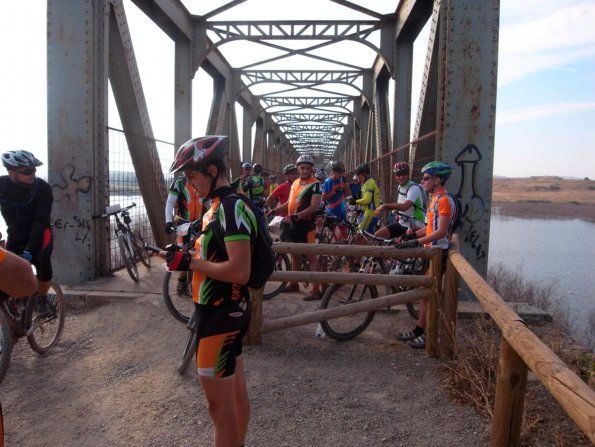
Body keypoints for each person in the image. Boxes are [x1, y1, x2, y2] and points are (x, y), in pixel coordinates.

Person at [163, 135, 254, 447]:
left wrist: (190, 264)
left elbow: (240, 271)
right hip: (222, 310)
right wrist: (188, 256)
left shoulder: (230, 208)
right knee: (234, 396)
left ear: (213, 170)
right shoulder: (216, 206)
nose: (189, 184)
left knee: (219, 409)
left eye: (192, 176)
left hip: (221, 312)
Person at [396, 161, 457, 349]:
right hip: (431, 253)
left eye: (426, 178)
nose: (422, 181)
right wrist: (414, 235)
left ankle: (428, 335)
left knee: (431, 296)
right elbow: (430, 229)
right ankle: (419, 330)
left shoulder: (445, 200)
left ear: (437, 179)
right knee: (425, 294)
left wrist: (416, 242)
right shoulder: (435, 199)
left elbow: (441, 232)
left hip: (439, 254)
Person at [0, 150, 53, 315]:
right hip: (15, 234)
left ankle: (43, 298)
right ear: (11, 172)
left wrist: (30, 250)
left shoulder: (42, 188)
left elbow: (41, 221)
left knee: (42, 261)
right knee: (7, 272)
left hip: (39, 233)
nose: (33, 174)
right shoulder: (2, 185)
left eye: (34, 170)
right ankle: (13, 306)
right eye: (28, 171)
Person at [274, 154, 322, 301]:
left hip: (306, 224)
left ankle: (316, 289)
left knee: (311, 256)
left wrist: (296, 216)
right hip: (293, 223)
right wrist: (276, 210)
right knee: (294, 254)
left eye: (308, 168)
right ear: (298, 168)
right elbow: (290, 202)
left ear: (312, 169)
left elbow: (314, 206)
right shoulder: (295, 183)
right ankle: (294, 283)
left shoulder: (316, 184)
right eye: (302, 167)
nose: (305, 170)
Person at [164, 174, 205, 294]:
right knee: (183, 255)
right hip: (182, 224)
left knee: (199, 254)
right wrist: (168, 221)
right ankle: (182, 280)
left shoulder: (201, 178)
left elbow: (207, 201)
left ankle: (195, 283)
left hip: (198, 223)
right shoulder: (180, 182)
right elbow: (170, 202)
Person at [374, 161, 427, 240]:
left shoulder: (413, 188)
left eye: (403, 174)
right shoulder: (400, 187)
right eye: (398, 174)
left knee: (403, 248)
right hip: (403, 223)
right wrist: (398, 216)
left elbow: (405, 206)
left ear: (408, 174)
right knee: (377, 235)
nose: (401, 177)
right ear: (395, 176)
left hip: (415, 225)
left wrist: (385, 206)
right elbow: (401, 203)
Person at [321, 161, 351, 239]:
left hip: (342, 211)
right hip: (332, 211)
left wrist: (346, 184)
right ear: (334, 172)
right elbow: (323, 198)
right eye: (339, 172)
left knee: (345, 236)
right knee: (330, 235)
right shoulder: (328, 182)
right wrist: (335, 192)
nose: (341, 174)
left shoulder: (342, 181)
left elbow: (349, 194)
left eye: (342, 173)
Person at [349, 163, 380, 234]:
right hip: (373, 213)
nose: (358, 177)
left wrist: (355, 201)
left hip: (369, 213)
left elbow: (367, 200)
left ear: (365, 173)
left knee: (359, 237)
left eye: (359, 175)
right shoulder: (369, 182)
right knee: (367, 237)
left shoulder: (368, 184)